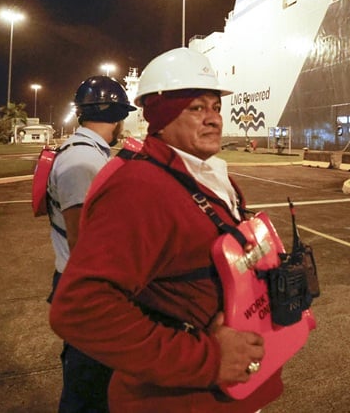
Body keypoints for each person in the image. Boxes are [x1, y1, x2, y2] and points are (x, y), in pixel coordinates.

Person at [49, 48, 283, 412]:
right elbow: (80, 308)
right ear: (161, 115)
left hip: (228, 389)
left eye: (215, 108)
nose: (213, 120)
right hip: (182, 398)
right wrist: (208, 359)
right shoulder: (140, 187)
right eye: (196, 108)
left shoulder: (200, 173)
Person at [47, 75, 137, 412]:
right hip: (90, 290)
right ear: (118, 116)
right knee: (88, 388)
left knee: (96, 381)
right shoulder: (83, 161)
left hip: (87, 284)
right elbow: (83, 240)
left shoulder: (85, 153)